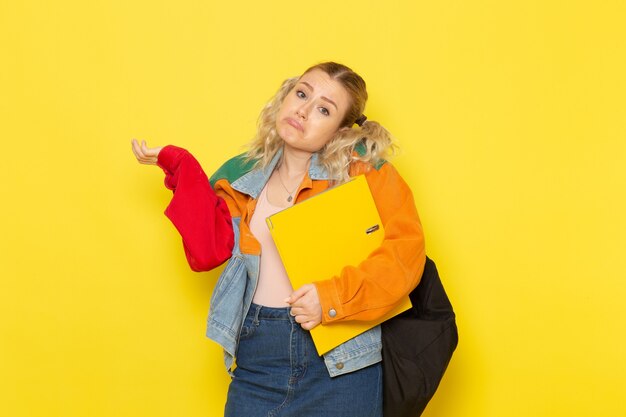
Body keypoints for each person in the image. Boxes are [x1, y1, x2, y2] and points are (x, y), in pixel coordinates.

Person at [131, 62, 426, 417]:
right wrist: (182, 167)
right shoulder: (242, 175)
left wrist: (331, 298)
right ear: (285, 97)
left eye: (324, 109)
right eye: (301, 93)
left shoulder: (364, 173)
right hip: (258, 360)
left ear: (340, 131)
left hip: (341, 364)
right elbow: (207, 252)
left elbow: (405, 254)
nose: (303, 110)